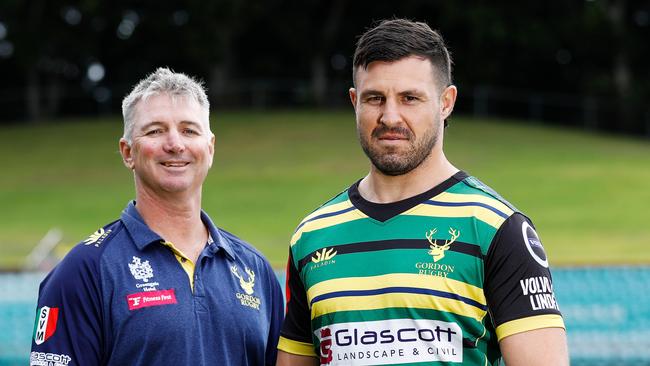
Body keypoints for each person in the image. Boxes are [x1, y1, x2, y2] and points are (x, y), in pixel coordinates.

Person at [277, 19, 568, 366]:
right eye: (375, 98)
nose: (390, 116)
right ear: (355, 102)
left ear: (446, 102)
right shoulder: (312, 235)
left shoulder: (497, 228)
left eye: (410, 98)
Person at [30, 67, 284, 365]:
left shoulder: (254, 270)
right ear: (128, 152)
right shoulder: (84, 270)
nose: (175, 144)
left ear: (210, 148)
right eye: (155, 131)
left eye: (189, 130)